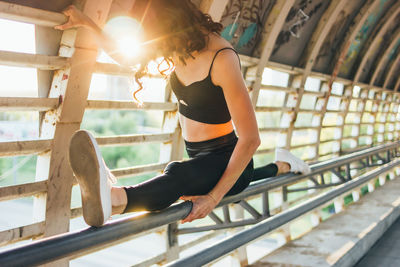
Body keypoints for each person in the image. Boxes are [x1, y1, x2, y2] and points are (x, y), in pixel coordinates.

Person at [56, 0, 311, 227]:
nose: (160, 48)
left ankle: (115, 198)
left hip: (225, 156)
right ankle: (284, 164)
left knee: (179, 174)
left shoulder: (222, 58)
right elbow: (125, 56)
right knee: (213, 174)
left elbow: (251, 139)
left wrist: (212, 199)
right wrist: (86, 22)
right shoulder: (178, 45)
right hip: (203, 161)